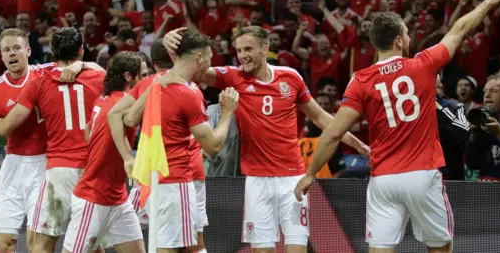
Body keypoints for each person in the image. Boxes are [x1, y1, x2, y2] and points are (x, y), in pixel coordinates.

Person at [293, 0, 500, 253]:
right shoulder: (423, 64)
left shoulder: (360, 80)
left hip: (384, 179)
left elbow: (334, 133)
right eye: (407, 33)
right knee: (440, 247)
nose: (409, 37)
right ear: (398, 40)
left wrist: (310, 173)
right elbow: (459, 29)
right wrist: (490, 0)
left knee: (380, 249)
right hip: (422, 174)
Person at [163, 26, 369, 252]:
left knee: (297, 248)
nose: (242, 55)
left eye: (248, 49)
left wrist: (355, 143)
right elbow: (193, 70)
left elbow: (321, 117)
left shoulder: (290, 78)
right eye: (239, 50)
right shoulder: (233, 76)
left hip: (292, 179)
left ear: (265, 49)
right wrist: (171, 47)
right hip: (256, 181)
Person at [0, 28, 99, 253]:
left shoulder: (46, 72)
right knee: (4, 245)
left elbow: (95, 68)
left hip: (45, 166)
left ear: (28, 50)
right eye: (6, 50)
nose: (12, 53)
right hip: (13, 166)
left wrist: (78, 65)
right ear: (1, 56)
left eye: (16, 48)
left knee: (38, 244)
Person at [129, 30, 238, 252]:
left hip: (153, 177)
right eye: (209, 58)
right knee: (170, 248)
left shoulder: (156, 84)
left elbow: (130, 118)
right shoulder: (188, 93)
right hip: (175, 181)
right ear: (199, 57)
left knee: (186, 246)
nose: (210, 65)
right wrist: (227, 112)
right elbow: (214, 146)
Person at [109, 39, 211, 252]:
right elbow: (211, 144)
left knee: (126, 224)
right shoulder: (192, 89)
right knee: (192, 243)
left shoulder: (151, 83)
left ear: (154, 63)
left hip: (158, 173)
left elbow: (119, 116)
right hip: (187, 174)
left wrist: (128, 158)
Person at [62, 51, 148, 253]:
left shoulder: (104, 99)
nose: (146, 80)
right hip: (94, 197)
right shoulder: (125, 103)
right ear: (128, 77)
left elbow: (88, 132)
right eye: (143, 76)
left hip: (118, 199)